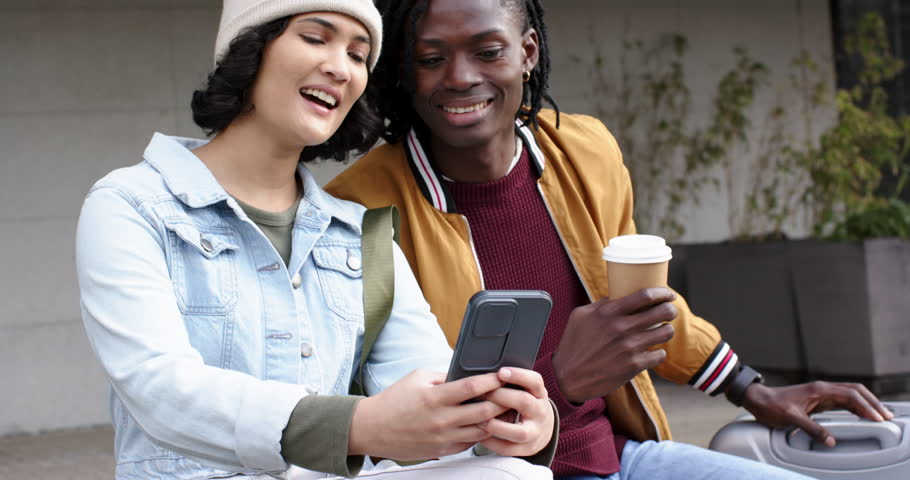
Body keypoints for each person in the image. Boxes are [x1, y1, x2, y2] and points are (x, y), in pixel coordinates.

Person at [324, 0, 895, 479]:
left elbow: (641, 308)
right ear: (404, 70)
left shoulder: (585, 150)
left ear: (527, 52)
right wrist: (560, 380)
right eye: (430, 58)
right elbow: (388, 417)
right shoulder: (362, 206)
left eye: (488, 51)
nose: (460, 76)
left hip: (617, 459)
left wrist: (752, 389)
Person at [75, 1, 557, 479]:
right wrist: (357, 425)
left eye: (358, 54)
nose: (340, 68)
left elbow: (431, 393)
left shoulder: (361, 236)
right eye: (315, 38)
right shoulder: (131, 205)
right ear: (250, 48)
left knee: (516, 475)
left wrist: (509, 424)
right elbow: (158, 388)